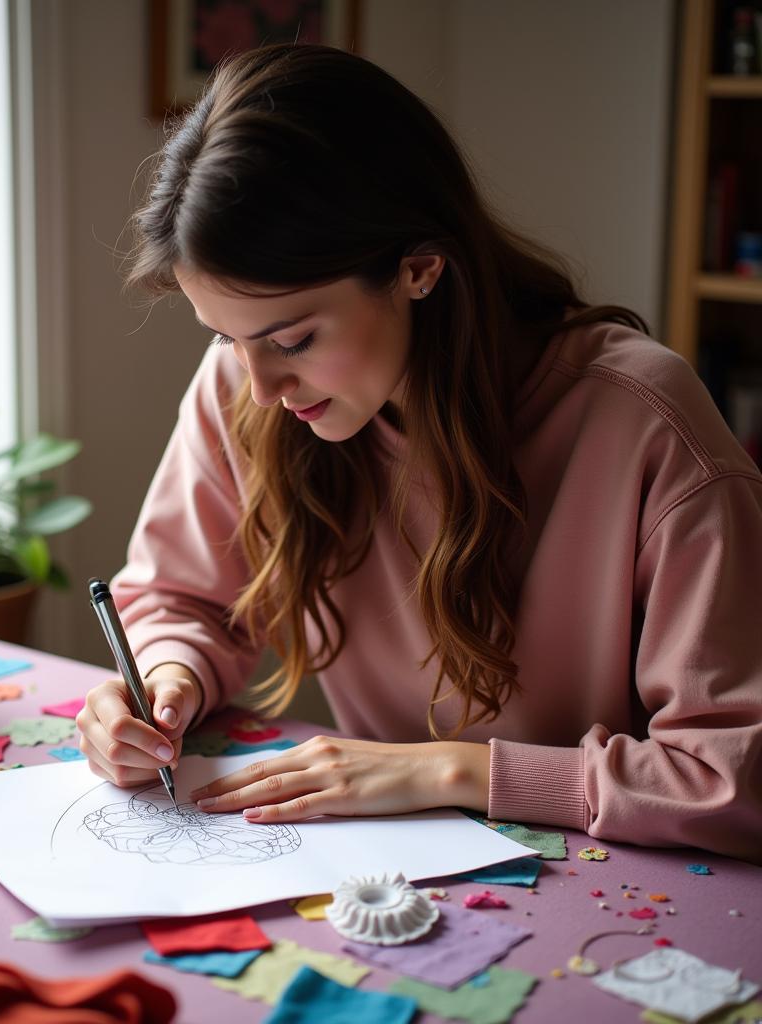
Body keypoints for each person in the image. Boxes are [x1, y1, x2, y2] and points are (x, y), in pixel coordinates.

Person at [76, 43, 762, 862]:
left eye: (292, 338)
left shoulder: (645, 421)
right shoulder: (246, 386)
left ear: (420, 270)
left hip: (614, 878)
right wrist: (168, 677)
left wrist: (453, 771)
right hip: (381, 871)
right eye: (227, 338)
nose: (258, 387)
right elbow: (179, 600)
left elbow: (733, 777)